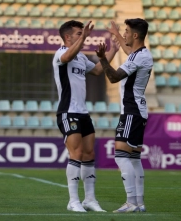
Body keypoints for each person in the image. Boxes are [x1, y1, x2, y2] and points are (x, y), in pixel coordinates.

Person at [53, 20, 119, 212]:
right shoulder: (60, 54)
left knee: (89, 154)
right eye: (78, 33)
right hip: (68, 111)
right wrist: (85, 37)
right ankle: (73, 201)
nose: (82, 35)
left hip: (82, 112)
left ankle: (89, 199)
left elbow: (98, 71)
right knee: (77, 154)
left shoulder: (81, 58)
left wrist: (113, 50)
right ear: (67, 37)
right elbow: (66, 57)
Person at [95, 18, 153, 213]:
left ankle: (130, 202)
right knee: (134, 158)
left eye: (127, 31)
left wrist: (103, 58)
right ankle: (139, 203)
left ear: (135, 35)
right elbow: (129, 50)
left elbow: (113, 77)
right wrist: (116, 34)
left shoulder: (138, 57)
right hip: (138, 110)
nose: (125, 34)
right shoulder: (142, 54)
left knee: (121, 157)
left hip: (131, 111)